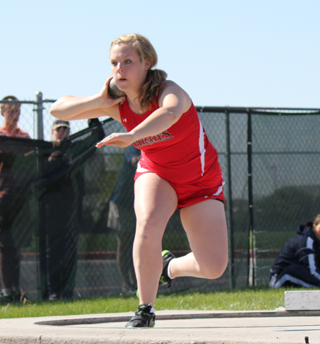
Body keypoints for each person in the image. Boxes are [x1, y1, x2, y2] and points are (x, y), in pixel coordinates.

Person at [50, 33, 228, 328]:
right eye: (114, 63)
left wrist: (133, 136)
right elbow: (58, 109)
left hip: (201, 181)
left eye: (128, 61)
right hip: (158, 174)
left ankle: (168, 266)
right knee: (147, 224)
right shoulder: (116, 104)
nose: (120, 68)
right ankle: (145, 308)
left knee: (213, 266)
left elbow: (169, 113)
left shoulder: (170, 91)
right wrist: (99, 98)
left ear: (147, 63)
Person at [38, 119, 84, 300]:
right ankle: (52, 290)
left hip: (70, 209)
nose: (62, 133)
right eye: (59, 130)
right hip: (49, 211)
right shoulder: (44, 152)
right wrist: (52, 160)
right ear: (52, 132)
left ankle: (66, 291)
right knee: (52, 251)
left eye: (65, 129)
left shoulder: (74, 151)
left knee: (67, 250)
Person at [0, 95, 30, 303]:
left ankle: (15, 289)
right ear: (2, 112)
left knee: (14, 245)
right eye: (10, 111)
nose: (14, 115)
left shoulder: (25, 136)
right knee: (4, 244)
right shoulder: (1, 136)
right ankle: (6, 289)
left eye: (17, 111)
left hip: (20, 198)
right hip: (2, 198)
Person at [108, 145, 140, 295]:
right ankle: (126, 285)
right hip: (121, 203)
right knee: (124, 244)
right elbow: (134, 160)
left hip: (139, 203)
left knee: (138, 243)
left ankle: (138, 283)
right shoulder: (134, 147)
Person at [269, 214, 320, 288]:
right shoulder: (307, 240)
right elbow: (312, 271)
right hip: (279, 280)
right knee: (293, 270)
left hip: (301, 276)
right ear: (314, 226)